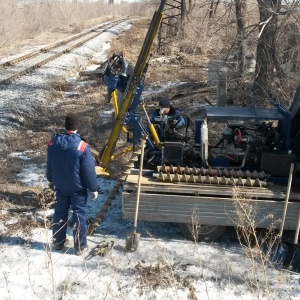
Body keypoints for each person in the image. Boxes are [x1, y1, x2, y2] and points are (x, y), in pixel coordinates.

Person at [46, 113, 98, 255]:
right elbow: (88, 171)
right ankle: (80, 247)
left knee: (60, 212)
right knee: (79, 214)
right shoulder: (81, 146)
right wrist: (93, 188)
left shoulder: (53, 143)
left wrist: (50, 179)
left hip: (61, 186)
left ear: (65, 126)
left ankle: (58, 242)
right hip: (77, 189)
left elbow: (50, 164)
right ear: (77, 126)